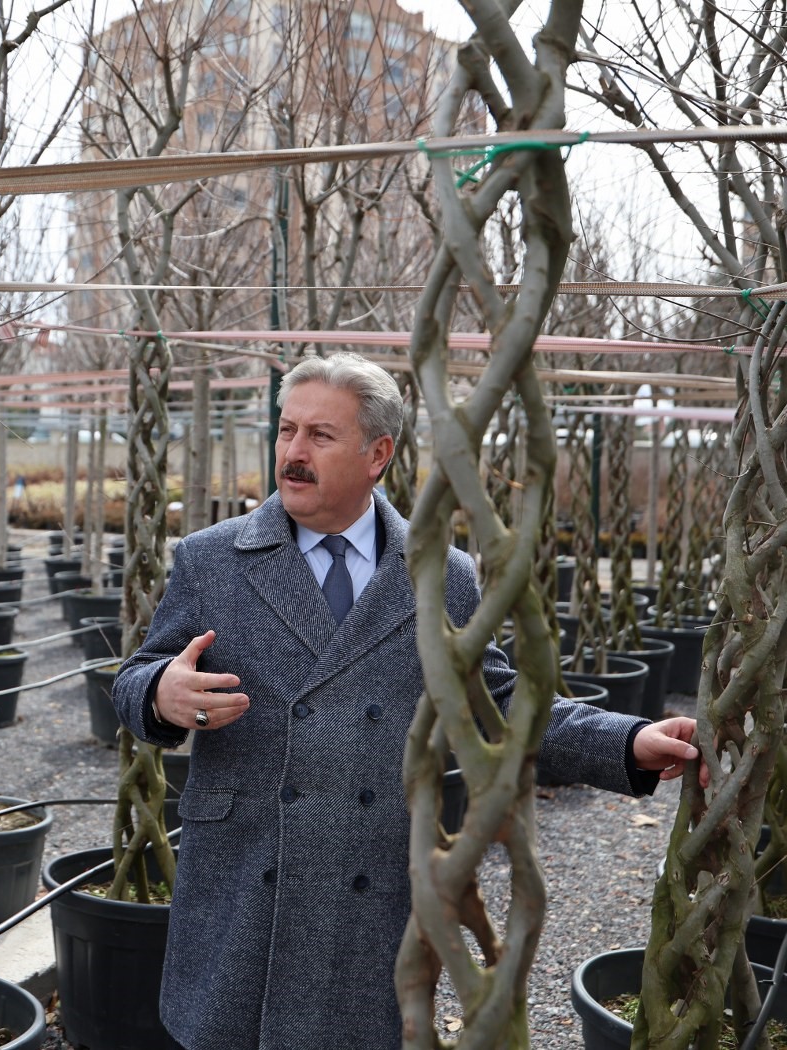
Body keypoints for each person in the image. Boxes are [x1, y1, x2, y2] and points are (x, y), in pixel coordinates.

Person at [111, 352, 699, 1050]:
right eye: (286, 430)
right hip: (245, 873)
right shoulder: (211, 559)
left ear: (377, 453)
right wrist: (160, 692)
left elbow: (495, 706)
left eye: (319, 436)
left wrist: (624, 741)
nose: (293, 453)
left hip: (367, 878)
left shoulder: (440, 576)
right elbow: (135, 677)